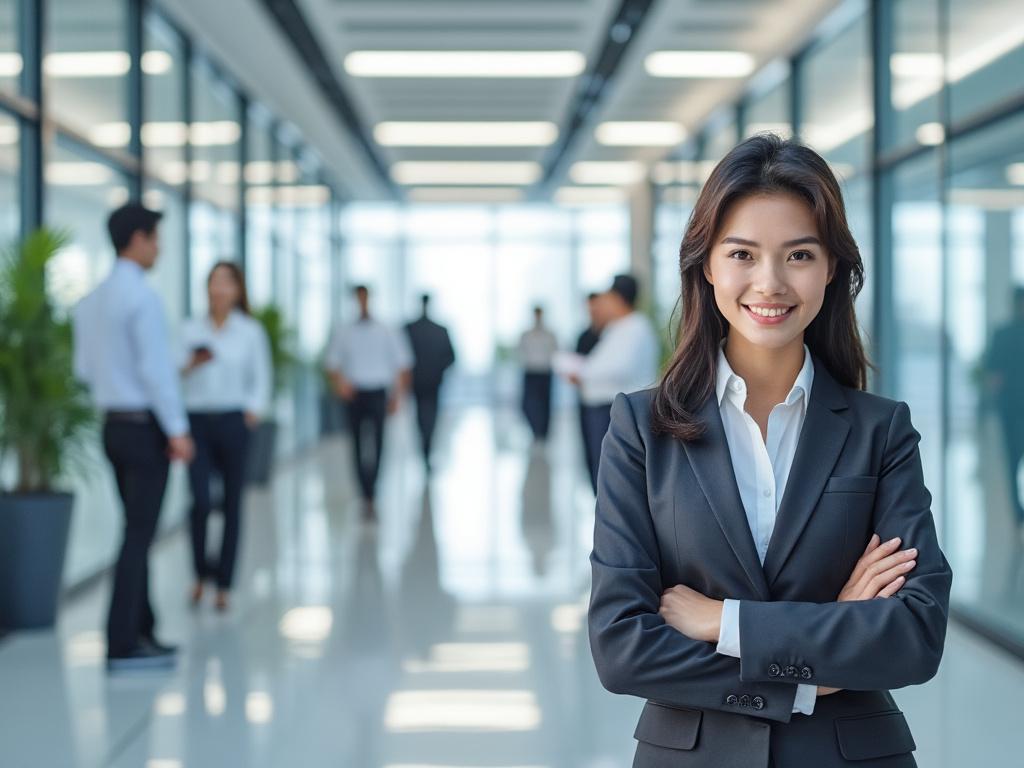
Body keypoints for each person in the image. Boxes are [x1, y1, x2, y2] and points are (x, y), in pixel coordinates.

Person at [587, 135, 951, 768]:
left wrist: (723, 623)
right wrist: (815, 665)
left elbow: (914, 635)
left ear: (833, 266)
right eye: (742, 254)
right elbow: (621, 646)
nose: (771, 283)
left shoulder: (880, 430)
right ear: (706, 264)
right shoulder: (641, 427)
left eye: (799, 254)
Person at [72, 203, 194, 672]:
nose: (159, 247)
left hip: (113, 427)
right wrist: (179, 431)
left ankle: (143, 631)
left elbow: (85, 368)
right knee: (138, 537)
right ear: (137, 239)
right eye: (155, 238)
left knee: (134, 532)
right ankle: (122, 643)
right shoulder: (141, 298)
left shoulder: (94, 298)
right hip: (146, 430)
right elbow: (154, 372)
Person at [179, 261, 271, 612]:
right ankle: (201, 574)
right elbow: (173, 372)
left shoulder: (250, 332)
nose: (219, 288)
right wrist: (191, 365)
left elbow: (261, 378)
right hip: (197, 421)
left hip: (233, 421)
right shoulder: (190, 330)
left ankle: (224, 584)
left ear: (237, 290)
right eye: (214, 281)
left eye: (227, 282)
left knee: (233, 503)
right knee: (200, 501)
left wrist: (252, 412)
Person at [325, 285, 412, 519]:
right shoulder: (344, 331)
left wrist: (397, 396)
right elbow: (332, 364)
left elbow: (403, 365)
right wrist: (341, 384)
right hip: (354, 393)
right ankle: (364, 494)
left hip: (378, 393)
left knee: (378, 444)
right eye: (358, 298)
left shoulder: (386, 330)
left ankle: (373, 492)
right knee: (356, 445)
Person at [576, 275, 658, 492]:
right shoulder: (617, 328)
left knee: (615, 477)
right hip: (603, 408)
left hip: (615, 410)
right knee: (603, 472)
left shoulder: (636, 327)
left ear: (618, 299)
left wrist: (583, 372)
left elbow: (619, 367)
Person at [984, 286, 1024, 542]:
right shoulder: (1004, 334)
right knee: (1012, 463)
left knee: (1012, 463)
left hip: (1010, 409)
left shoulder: (1003, 334)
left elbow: (993, 377)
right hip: (1011, 409)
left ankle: (1019, 515)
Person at [404, 294, 456, 469]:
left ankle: (425, 449)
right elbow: (451, 358)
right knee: (429, 416)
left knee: (423, 416)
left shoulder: (410, 329)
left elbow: (451, 357)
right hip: (430, 381)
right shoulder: (439, 330)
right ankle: (426, 449)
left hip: (423, 381)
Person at [574, 292, 604, 479]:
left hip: (605, 400)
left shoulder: (611, 334)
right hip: (585, 397)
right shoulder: (583, 337)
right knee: (589, 446)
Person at [518, 306, 558, 441]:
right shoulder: (526, 334)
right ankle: (535, 430)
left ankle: (542, 435)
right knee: (527, 404)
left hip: (545, 373)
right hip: (530, 372)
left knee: (545, 405)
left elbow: (555, 352)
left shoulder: (550, 334)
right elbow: (520, 352)